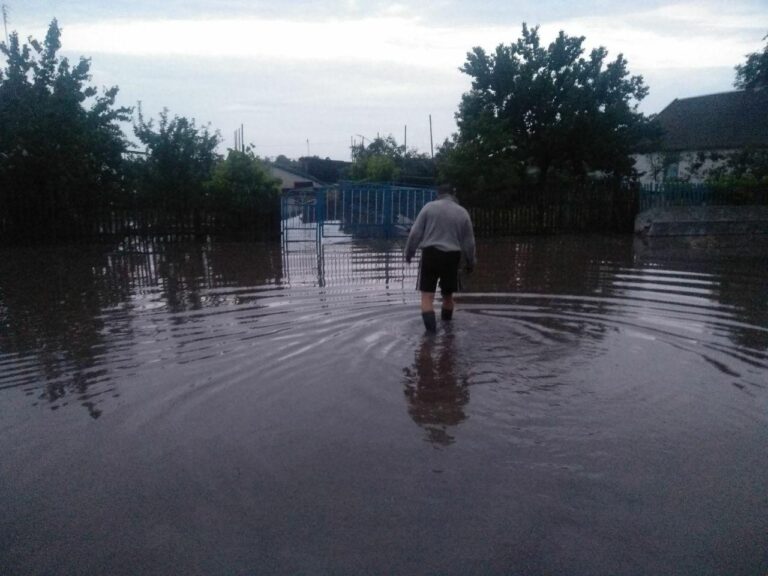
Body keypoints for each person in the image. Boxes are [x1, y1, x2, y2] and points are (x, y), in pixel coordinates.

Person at [404, 184, 476, 332]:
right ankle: (448, 332)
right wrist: (471, 261)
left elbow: (415, 233)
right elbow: (469, 242)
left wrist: (409, 253)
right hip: (452, 257)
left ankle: (430, 336)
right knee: (448, 296)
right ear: (453, 194)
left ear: (438, 194)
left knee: (427, 297)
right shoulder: (462, 212)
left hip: (430, 254)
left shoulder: (428, 208)